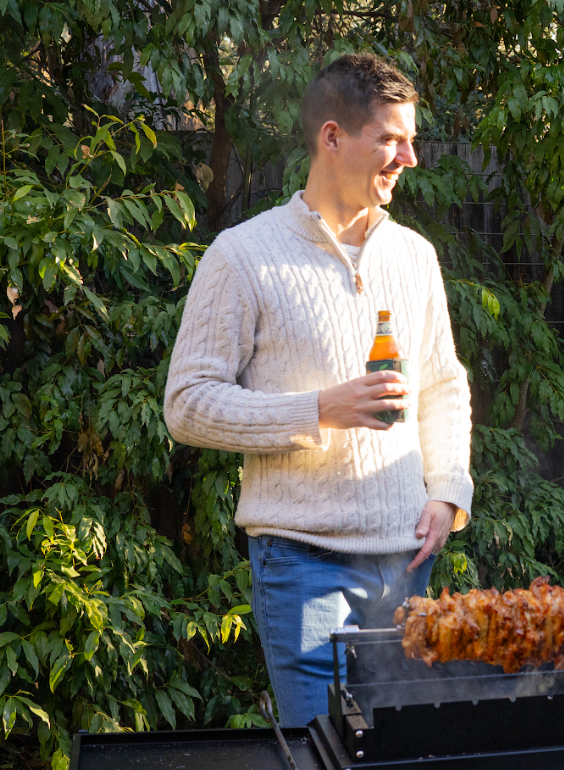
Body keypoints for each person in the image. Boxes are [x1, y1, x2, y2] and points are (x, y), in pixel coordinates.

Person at [163, 53, 473, 727]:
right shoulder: (243, 256)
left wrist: (449, 490)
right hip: (300, 561)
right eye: (391, 140)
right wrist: (319, 410)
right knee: (321, 747)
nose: (409, 158)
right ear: (332, 137)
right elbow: (187, 403)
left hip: (405, 562)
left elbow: (444, 385)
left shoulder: (415, 257)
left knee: (396, 748)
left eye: (411, 141)